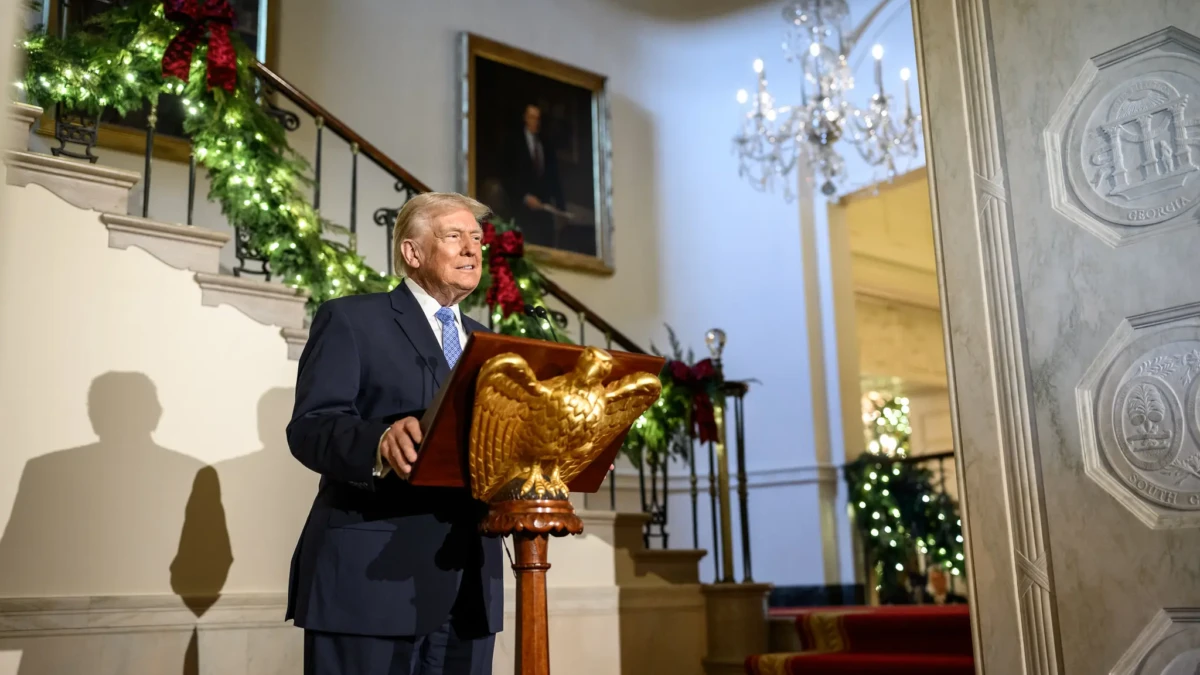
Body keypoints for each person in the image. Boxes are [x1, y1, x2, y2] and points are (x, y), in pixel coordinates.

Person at [286, 192, 502, 675]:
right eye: (454, 236)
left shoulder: (488, 343)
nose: (472, 249)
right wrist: (379, 443)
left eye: (477, 239)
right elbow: (310, 428)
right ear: (412, 252)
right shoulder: (352, 319)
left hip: (470, 586)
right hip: (370, 581)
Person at [503, 103, 564, 242]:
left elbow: (553, 177)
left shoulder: (545, 145)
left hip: (543, 209)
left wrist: (560, 207)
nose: (534, 122)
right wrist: (525, 197)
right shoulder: (514, 142)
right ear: (525, 118)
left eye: (537, 118)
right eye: (531, 117)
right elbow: (508, 174)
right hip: (520, 206)